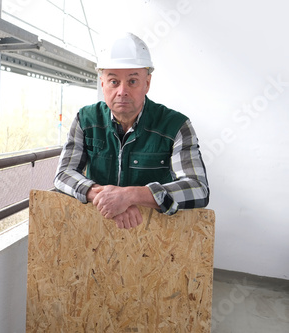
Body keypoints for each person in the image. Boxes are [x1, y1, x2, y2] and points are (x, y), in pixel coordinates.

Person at [54, 32, 209, 230]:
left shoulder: (176, 125)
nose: (122, 91)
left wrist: (130, 196)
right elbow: (63, 174)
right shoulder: (85, 120)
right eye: (114, 81)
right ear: (102, 83)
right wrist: (105, 197)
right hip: (96, 231)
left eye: (133, 81)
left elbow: (198, 188)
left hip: (156, 235)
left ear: (147, 83)